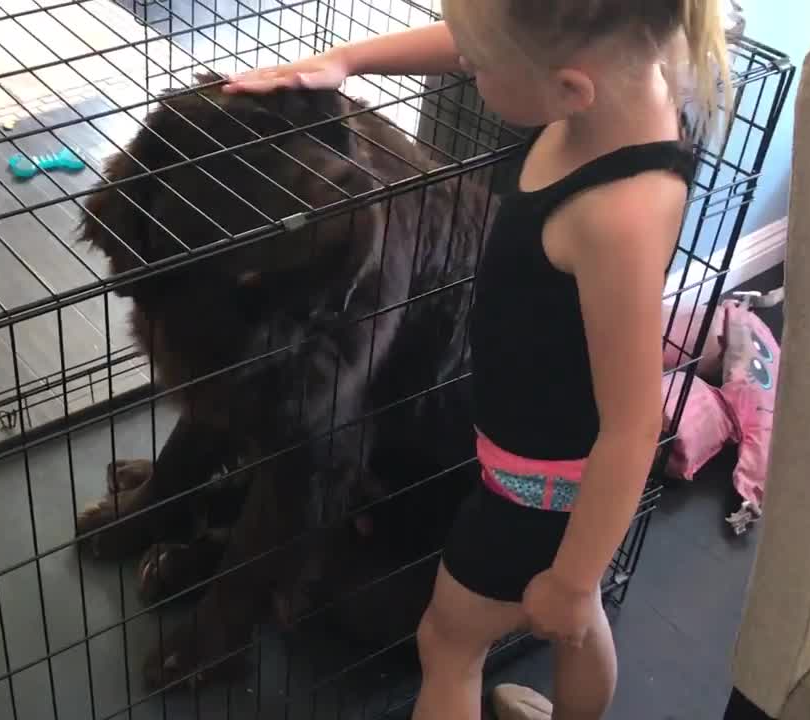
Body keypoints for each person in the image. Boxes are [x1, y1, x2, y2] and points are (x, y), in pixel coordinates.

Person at [224, 2, 730, 719]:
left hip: (540, 495)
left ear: (568, 90)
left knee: (449, 642)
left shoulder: (616, 217)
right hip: (550, 459)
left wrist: (577, 575)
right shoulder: (632, 66)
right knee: (580, 633)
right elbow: (493, 38)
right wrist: (349, 61)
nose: (466, 66)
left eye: (479, 67)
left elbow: (634, 424)